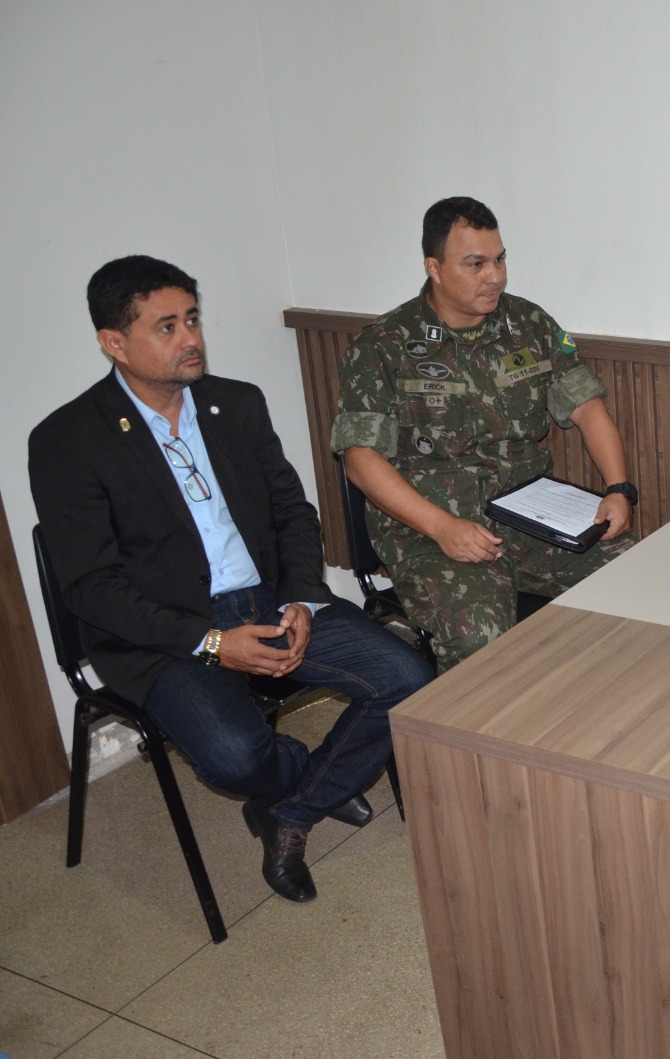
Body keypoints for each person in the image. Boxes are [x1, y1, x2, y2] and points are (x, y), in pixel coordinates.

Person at [30, 256, 434, 904]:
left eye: (192, 319)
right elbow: (92, 586)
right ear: (114, 342)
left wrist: (301, 597)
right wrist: (212, 642)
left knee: (409, 678)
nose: (190, 337)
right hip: (167, 630)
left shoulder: (236, 403)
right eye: (166, 327)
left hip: (270, 597)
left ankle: (291, 813)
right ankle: (299, 773)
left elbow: (292, 511)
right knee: (234, 757)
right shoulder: (68, 441)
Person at [333, 196, 636, 670]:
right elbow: (360, 460)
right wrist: (443, 527)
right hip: (432, 527)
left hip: (529, 514)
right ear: (434, 268)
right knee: (481, 640)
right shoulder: (383, 346)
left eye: (499, 260)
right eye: (475, 264)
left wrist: (619, 489)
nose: (494, 277)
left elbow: (587, 408)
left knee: (635, 579)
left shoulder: (528, 324)